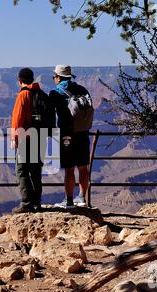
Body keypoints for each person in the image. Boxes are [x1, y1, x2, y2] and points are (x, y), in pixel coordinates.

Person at [49, 65, 93, 209]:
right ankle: (81, 198)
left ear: (58, 77)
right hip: (83, 132)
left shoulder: (56, 92)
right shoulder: (82, 89)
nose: (54, 79)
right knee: (83, 167)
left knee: (69, 169)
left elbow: (49, 112)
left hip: (66, 134)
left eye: (54, 77)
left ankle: (68, 201)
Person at [10, 68, 45, 214]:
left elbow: (18, 118)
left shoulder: (23, 94)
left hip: (26, 138)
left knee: (22, 170)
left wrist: (14, 138)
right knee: (36, 171)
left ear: (19, 80)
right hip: (40, 137)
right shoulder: (41, 93)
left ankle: (26, 204)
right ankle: (37, 204)